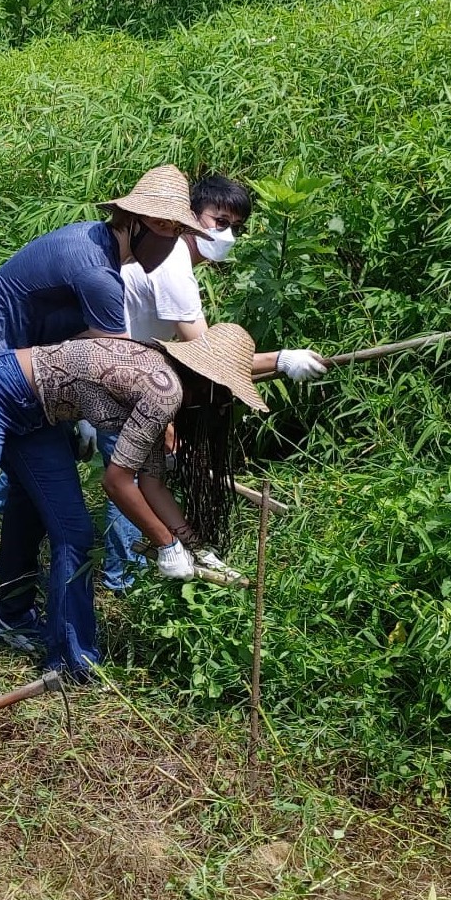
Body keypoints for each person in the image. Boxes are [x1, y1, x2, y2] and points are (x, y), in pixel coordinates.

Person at [0, 164, 207, 654]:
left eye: (178, 230)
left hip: (28, 384)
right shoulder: (96, 270)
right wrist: (169, 542)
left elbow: (92, 357)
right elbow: (116, 363)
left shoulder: (105, 257)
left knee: (52, 514)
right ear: (132, 219)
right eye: (164, 226)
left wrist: (190, 543)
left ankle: (22, 620)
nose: (170, 240)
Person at [0, 323, 268, 680]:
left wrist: (196, 547)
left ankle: (72, 662)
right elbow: (116, 482)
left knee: (74, 533)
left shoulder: (167, 386)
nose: (222, 406)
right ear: (209, 382)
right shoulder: (165, 391)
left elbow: (152, 484)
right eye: (225, 396)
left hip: (36, 416)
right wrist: (167, 544)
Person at [96, 173, 329, 590]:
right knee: (127, 476)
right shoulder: (173, 265)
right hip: (115, 381)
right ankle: (121, 581)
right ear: (190, 217)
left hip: (123, 372)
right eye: (218, 221)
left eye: (235, 227)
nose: (225, 234)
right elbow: (209, 360)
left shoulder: (173, 260)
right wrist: (282, 359)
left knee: (63, 469)